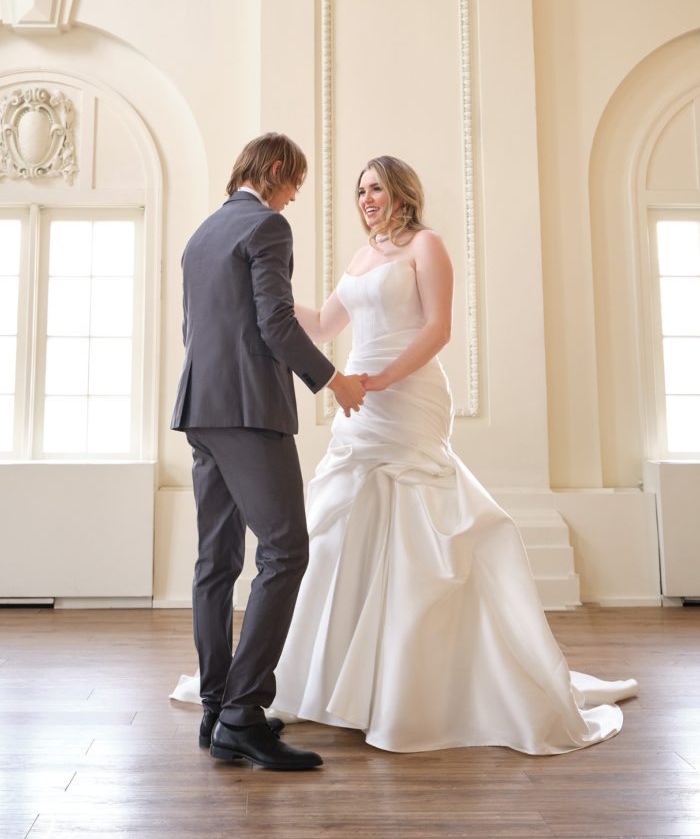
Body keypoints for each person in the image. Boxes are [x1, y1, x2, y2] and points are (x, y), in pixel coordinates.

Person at [266, 154, 638, 754]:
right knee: (340, 529)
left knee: (420, 528)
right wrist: (267, 291)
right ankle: (334, 680)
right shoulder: (361, 257)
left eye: (377, 188)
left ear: (402, 193)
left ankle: (417, 685)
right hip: (361, 402)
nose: (367, 199)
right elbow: (323, 325)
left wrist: (382, 378)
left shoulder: (427, 246)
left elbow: (437, 329)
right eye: (361, 190)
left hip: (406, 395)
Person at [170, 133, 366, 771]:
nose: (290, 201)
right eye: (293, 188)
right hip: (250, 414)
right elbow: (275, 322)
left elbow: (192, 330)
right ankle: (243, 713)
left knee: (216, 560)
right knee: (286, 549)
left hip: (201, 409)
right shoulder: (268, 228)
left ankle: (213, 706)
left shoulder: (201, 235)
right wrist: (334, 381)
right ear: (277, 172)